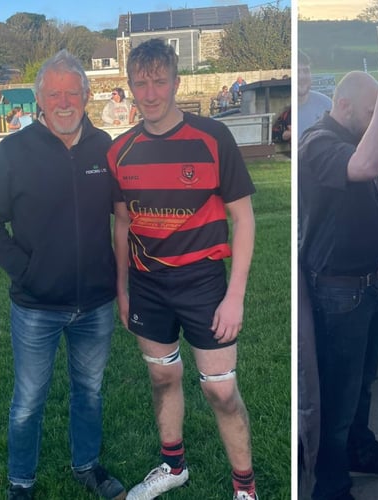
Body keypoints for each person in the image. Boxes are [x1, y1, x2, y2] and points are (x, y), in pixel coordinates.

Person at [0, 49, 125, 500]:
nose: (63, 102)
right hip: (36, 305)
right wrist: (27, 271)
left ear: (87, 95)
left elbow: (122, 217)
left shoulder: (105, 147)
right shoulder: (14, 150)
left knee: (89, 392)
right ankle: (21, 483)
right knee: (28, 402)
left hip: (95, 303)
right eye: (53, 93)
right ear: (40, 99)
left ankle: (87, 466)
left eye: (71, 93)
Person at [107, 39, 257, 500]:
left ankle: (245, 488)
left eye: (158, 82)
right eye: (140, 83)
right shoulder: (120, 151)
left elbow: (243, 218)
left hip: (204, 284)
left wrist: (235, 296)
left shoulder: (213, 138)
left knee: (220, 392)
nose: (150, 93)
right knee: (162, 377)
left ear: (175, 82)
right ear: (130, 87)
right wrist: (124, 290)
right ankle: (174, 467)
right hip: (148, 286)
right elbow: (122, 225)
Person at [299, 55, 378, 500]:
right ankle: (330, 485)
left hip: (367, 285)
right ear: (343, 106)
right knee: (337, 398)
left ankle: (359, 449)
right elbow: (367, 167)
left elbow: (369, 194)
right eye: (369, 113)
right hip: (338, 293)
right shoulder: (318, 143)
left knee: (363, 386)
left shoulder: (349, 135)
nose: (374, 123)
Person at [298, 50, 332, 138]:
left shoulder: (327, 105)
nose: (302, 76)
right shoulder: (286, 114)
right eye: (297, 71)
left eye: (306, 71)